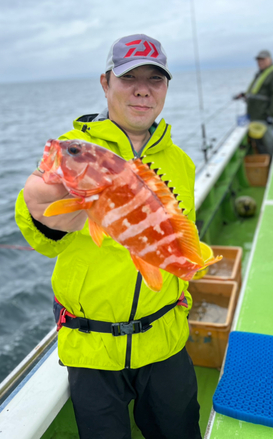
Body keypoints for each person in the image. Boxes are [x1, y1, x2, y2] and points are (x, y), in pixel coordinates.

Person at [15, 34, 202, 439]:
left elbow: (181, 233)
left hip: (166, 340)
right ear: (105, 83)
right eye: (128, 76)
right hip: (93, 348)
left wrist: (190, 265)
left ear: (166, 88)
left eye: (155, 79)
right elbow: (44, 236)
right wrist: (44, 215)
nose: (142, 89)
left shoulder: (181, 163)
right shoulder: (76, 151)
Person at [234, 50, 273, 156]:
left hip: (264, 116)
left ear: (270, 60)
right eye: (259, 60)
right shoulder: (260, 74)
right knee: (259, 144)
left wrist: (270, 114)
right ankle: (265, 162)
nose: (260, 62)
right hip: (254, 116)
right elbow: (255, 91)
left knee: (269, 142)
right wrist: (243, 95)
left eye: (263, 60)